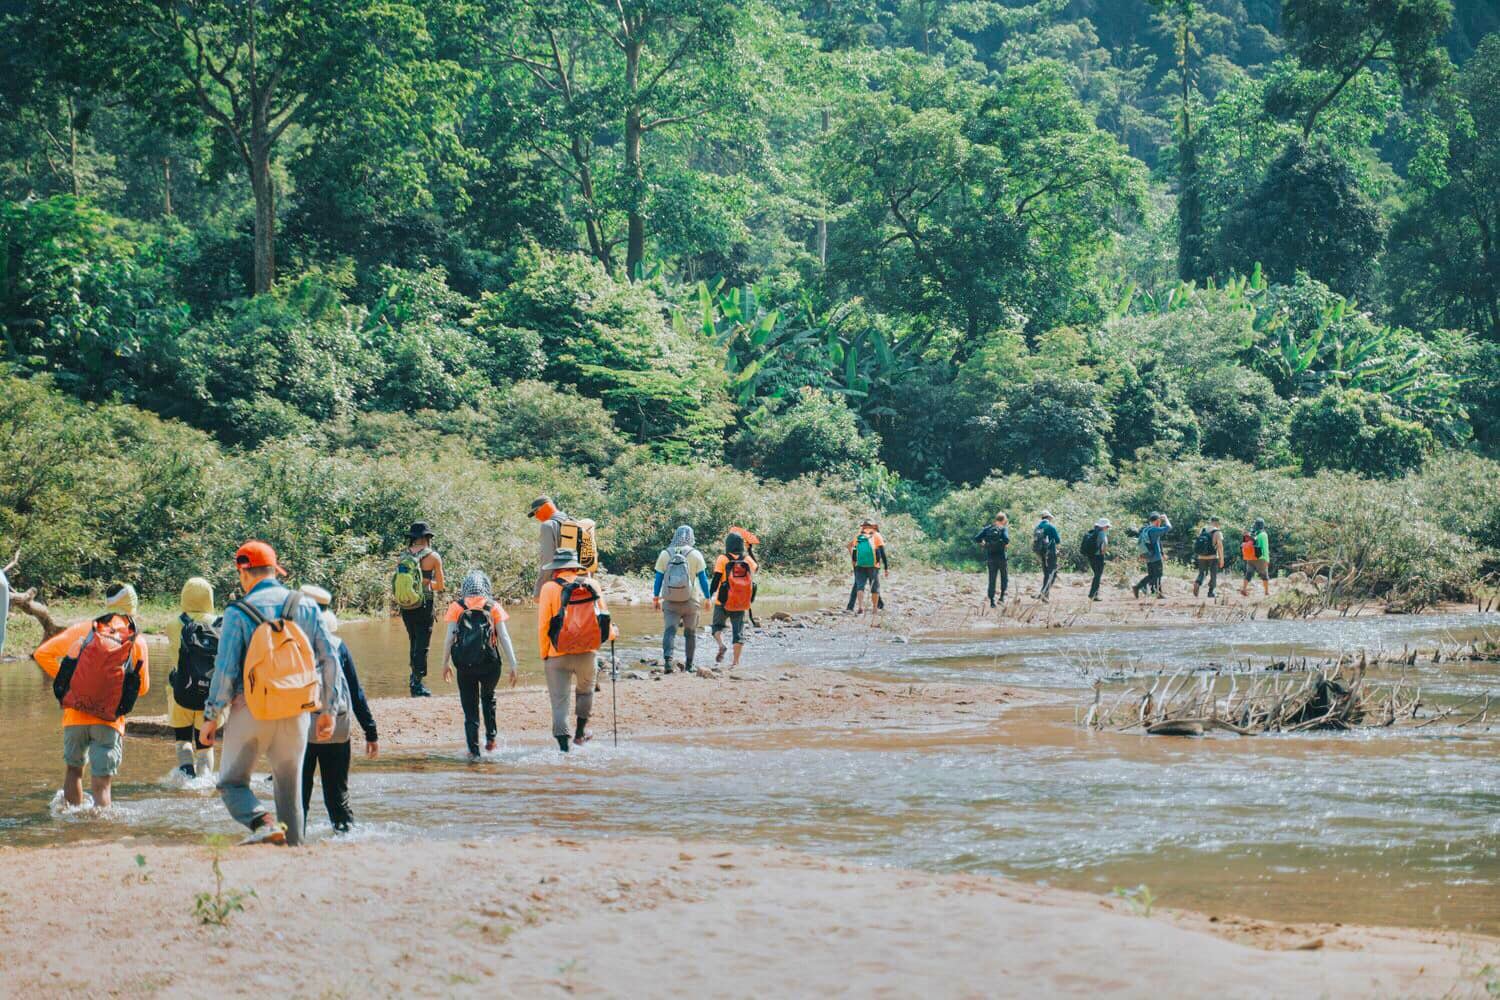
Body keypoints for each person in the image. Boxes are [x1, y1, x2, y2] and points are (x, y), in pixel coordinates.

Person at [199, 541, 341, 847]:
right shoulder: (305, 605)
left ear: (243, 572)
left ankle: (262, 822)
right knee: (290, 792)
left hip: (250, 709)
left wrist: (211, 717)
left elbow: (225, 671)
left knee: (230, 783)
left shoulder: (237, 612)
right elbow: (329, 657)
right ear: (274, 571)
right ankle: (294, 852)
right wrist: (329, 708)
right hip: (296, 711)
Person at [33, 583, 151, 809]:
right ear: (132, 608)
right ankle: (100, 832)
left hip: (75, 716)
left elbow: (42, 654)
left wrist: (70, 684)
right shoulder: (137, 641)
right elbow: (143, 688)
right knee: (102, 784)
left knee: (74, 771)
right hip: (109, 720)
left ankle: (71, 823)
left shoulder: (85, 629)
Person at [298, 585, 377, 831]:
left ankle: (293, 847)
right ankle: (345, 841)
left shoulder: (292, 644)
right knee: (338, 797)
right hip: (336, 729)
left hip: (301, 732)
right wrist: (370, 731)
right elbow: (356, 691)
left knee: (297, 799)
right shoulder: (338, 645)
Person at [537, 548, 614, 753]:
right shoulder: (592, 584)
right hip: (588, 652)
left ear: (556, 569)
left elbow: (543, 624)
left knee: (559, 701)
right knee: (585, 692)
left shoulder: (549, 588)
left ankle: (564, 749)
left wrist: (544, 652)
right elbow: (604, 618)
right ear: (575, 566)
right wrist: (611, 636)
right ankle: (580, 735)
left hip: (557, 654)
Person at [441, 569, 519, 761]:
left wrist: (445, 663)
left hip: (464, 665)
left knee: (470, 708)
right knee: (488, 697)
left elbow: (450, 638)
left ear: (465, 588)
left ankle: (473, 751)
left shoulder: (456, 607)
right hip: (490, 664)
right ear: (486, 588)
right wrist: (513, 664)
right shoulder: (493, 606)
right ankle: (491, 739)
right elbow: (504, 636)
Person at [164, 577, 220, 779]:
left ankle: (186, 777)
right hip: (211, 696)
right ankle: (204, 783)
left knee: (183, 740)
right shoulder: (220, 624)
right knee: (205, 746)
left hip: (180, 692)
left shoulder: (172, 625)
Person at [394, 521, 445, 697]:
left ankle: (413, 679)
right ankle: (417, 683)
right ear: (427, 538)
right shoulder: (433, 557)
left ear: (412, 539)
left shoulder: (402, 556)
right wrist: (425, 584)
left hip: (406, 605)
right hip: (424, 604)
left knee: (413, 640)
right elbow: (440, 585)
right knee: (422, 645)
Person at [653, 525, 712, 674]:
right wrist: (707, 597)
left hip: (670, 601)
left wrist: (655, 598)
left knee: (670, 631)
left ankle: (667, 662)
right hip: (691, 601)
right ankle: (690, 665)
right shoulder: (695, 554)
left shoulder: (665, 554)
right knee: (690, 633)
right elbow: (703, 579)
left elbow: (658, 579)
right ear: (691, 537)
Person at [529, 496, 599, 598]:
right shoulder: (574, 522)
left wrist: (538, 592)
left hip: (561, 588)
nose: (536, 516)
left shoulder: (548, 526)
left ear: (545, 507)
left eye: (536, 512)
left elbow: (547, 561)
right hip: (583, 585)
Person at [710, 531, 758, 666]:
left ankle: (721, 644)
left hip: (723, 601)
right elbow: (757, 567)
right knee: (738, 633)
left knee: (716, 627)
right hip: (741, 602)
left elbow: (716, 579)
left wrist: (709, 595)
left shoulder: (722, 558)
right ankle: (735, 663)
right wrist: (750, 550)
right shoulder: (747, 559)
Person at [845, 519, 888, 613]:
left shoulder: (859, 536)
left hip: (859, 564)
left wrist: (854, 560)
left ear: (863, 526)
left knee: (859, 585)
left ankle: (853, 606)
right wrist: (885, 567)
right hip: (873, 565)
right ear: (873, 526)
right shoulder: (876, 535)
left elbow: (851, 547)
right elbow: (882, 552)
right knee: (874, 586)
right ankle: (877, 606)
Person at [973, 513, 1010, 607]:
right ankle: (1001, 597)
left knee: (992, 579)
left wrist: (984, 544)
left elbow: (977, 538)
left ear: (996, 519)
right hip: (1002, 557)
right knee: (1004, 577)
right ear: (1003, 520)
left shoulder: (988, 529)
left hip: (991, 558)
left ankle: (992, 601)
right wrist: (1005, 545)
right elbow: (1006, 540)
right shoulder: (1003, 529)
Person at [1133, 512, 1172, 599]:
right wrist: (1166, 518)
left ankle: (1138, 587)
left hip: (1148, 556)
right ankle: (1158, 593)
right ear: (1157, 521)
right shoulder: (1154, 530)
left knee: (1151, 575)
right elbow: (1168, 527)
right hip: (1155, 557)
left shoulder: (1146, 529)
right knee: (1158, 574)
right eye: (1160, 521)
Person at [1193, 517, 1226, 598]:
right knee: (1213, 574)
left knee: (1202, 573)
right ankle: (1211, 592)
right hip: (1213, 557)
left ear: (1210, 522)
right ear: (1217, 523)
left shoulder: (1202, 530)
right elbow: (1220, 547)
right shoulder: (1217, 532)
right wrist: (1222, 559)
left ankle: (1197, 582)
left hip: (1201, 556)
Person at [1032, 512, 1061, 601]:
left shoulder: (1037, 527)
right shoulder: (1051, 527)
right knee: (1053, 573)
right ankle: (1044, 594)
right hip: (1050, 553)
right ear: (1048, 517)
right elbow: (1058, 540)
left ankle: (1044, 595)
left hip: (1041, 553)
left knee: (1046, 574)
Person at [1241, 518, 1272, 597]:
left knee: (1248, 574)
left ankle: (1244, 589)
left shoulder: (1252, 533)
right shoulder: (1263, 534)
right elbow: (1265, 547)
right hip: (1260, 558)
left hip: (1250, 557)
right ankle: (1266, 592)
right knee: (1264, 575)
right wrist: (1267, 559)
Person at [1082, 519, 1111, 601]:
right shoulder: (1101, 533)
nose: (1108, 528)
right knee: (1098, 576)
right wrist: (1103, 553)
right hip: (1098, 557)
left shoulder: (1092, 532)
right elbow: (1105, 544)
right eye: (1107, 526)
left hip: (1091, 556)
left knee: (1096, 575)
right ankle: (1093, 595)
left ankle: (1093, 594)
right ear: (1104, 526)